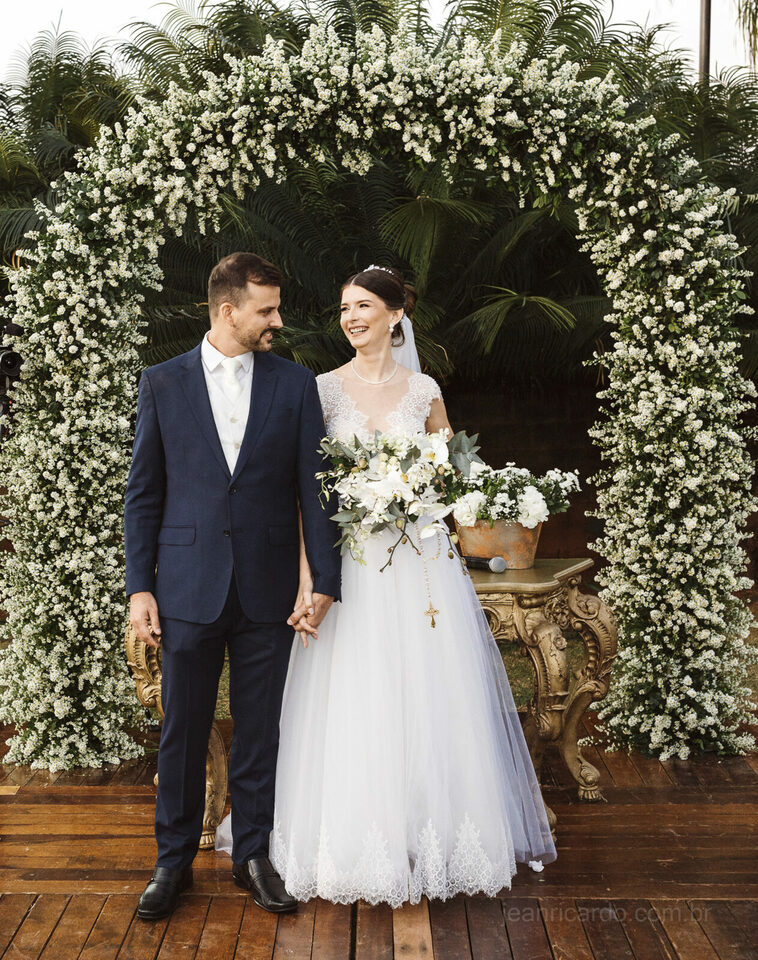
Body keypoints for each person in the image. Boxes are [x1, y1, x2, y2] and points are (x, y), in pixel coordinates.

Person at [215, 265, 556, 907]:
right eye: (344, 307)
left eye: (364, 305)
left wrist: (419, 493)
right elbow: (305, 492)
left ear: (396, 314)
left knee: (426, 693)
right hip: (350, 565)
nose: (350, 317)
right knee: (354, 693)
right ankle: (349, 835)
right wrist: (308, 574)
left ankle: (428, 830)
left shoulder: (423, 390)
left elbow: (451, 473)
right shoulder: (321, 390)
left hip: (419, 565)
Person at [124, 251, 341, 920]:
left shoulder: (294, 384)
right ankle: (172, 862)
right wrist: (139, 588)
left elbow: (315, 489)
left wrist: (324, 579)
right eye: (266, 310)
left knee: (259, 731)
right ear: (228, 311)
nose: (277, 320)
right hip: (186, 587)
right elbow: (144, 494)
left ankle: (253, 856)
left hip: (267, 588)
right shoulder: (162, 382)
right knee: (182, 731)